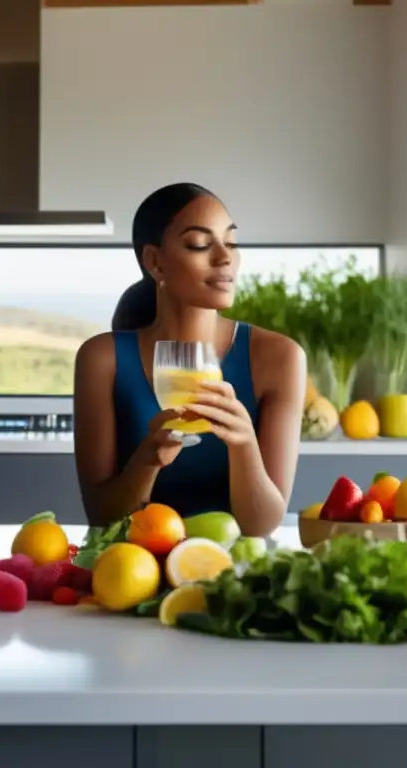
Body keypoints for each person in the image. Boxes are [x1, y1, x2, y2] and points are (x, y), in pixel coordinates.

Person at [72, 183, 306, 537]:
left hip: (233, 578)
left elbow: (262, 525)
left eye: (231, 242)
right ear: (155, 263)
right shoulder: (101, 359)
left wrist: (243, 445)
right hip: (131, 576)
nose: (225, 257)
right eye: (199, 244)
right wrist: (147, 460)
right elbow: (102, 519)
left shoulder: (280, 357)